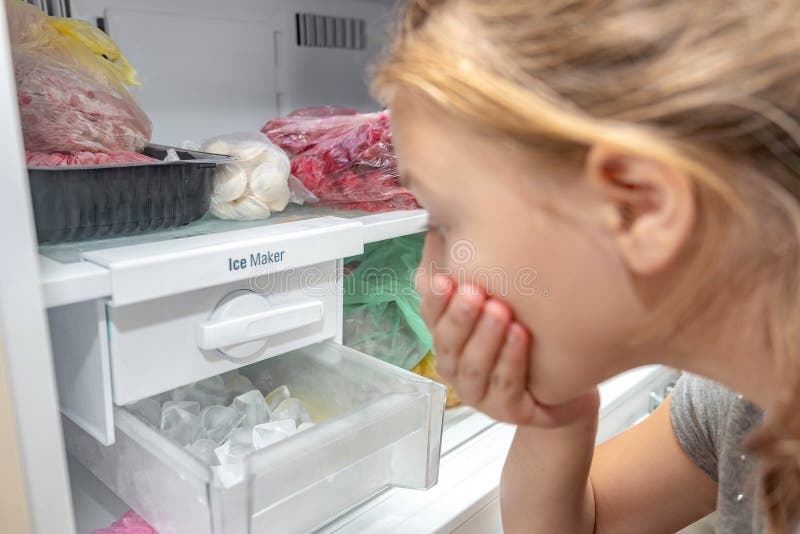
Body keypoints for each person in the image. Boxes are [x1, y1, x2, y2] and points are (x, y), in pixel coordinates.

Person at [372, 1, 800, 532]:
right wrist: (558, 419)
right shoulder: (735, 401)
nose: (424, 279)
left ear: (639, 207)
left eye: (446, 220)